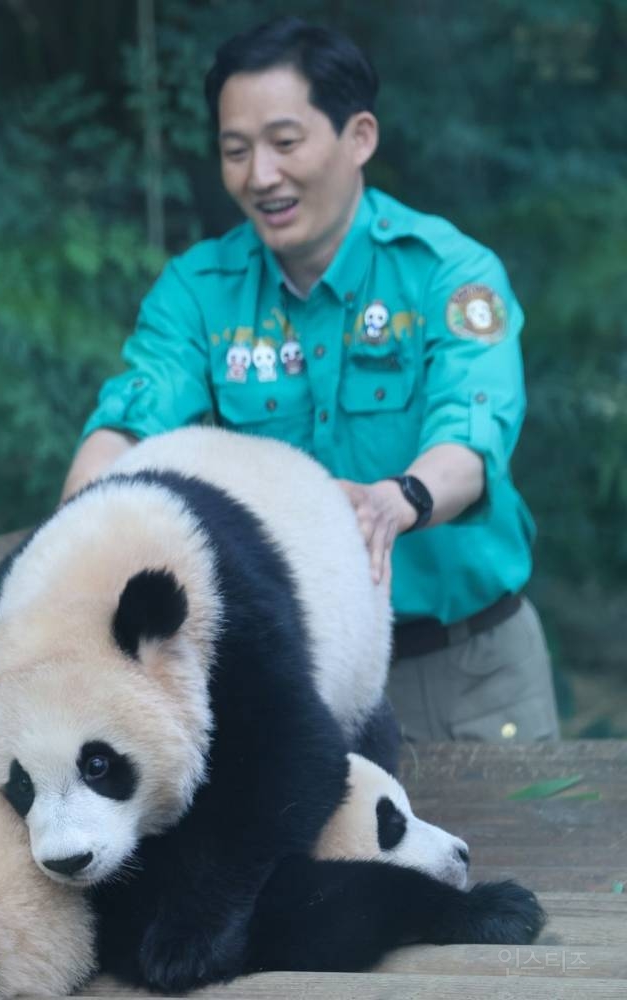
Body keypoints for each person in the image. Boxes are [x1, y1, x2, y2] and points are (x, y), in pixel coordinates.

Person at [62, 16, 560, 744]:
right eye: (236, 151)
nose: (260, 175)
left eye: (284, 143)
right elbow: (129, 423)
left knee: (530, 858)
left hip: (467, 673)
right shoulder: (199, 294)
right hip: (288, 683)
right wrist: (78, 537)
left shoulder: (450, 274)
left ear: (358, 136)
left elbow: (472, 435)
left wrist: (400, 500)